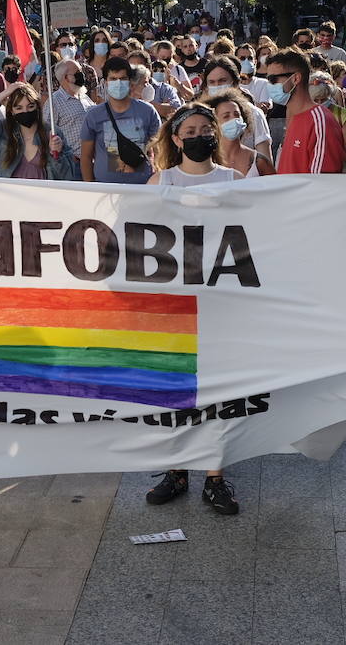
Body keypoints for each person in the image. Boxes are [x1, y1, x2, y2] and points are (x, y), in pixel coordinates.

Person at [142, 103, 242, 516]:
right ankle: (177, 470)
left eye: (207, 128)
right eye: (191, 129)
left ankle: (215, 477)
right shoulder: (160, 181)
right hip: (174, 303)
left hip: (220, 302)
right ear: (177, 138)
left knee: (218, 390)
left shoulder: (234, 180)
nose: (199, 135)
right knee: (175, 388)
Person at [0, 80, 75, 179]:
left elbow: (67, 176)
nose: (25, 111)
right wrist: (3, 95)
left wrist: (57, 154)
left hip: (42, 196)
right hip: (8, 197)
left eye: (30, 106)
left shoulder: (51, 133)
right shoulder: (1, 131)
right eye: (19, 108)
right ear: (11, 110)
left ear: (37, 107)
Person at [81, 57, 162, 184]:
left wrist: (156, 183)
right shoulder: (93, 115)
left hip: (143, 187)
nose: (118, 83)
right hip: (106, 188)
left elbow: (159, 151)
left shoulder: (148, 111)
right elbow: (86, 157)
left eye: (123, 79)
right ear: (106, 82)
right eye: (113, 79)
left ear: (130, 82)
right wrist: (91, 187)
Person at [264, 50, 345, 174]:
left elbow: (320, 182)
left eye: (273, 79)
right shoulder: (295, 117)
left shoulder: (320, 121)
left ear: (296, 78)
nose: (269, 85)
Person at [206, 90, 275, 177]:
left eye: (237, 114)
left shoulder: (259, 161)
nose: (234, 119)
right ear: (213, 123)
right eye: (226, 116)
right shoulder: (206, 161)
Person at [48, 58, 94, 153]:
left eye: (81, 71)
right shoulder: (54, 101)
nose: (82, 75)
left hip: (92, 158)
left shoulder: (84, 96)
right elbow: (46, 130)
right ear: (66, 78)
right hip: (73, 162)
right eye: (77, 72)